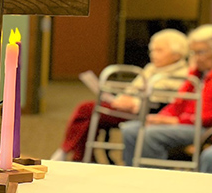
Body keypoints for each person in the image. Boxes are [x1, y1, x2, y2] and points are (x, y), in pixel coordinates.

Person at [121, 25, 212, 167]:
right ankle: (135, 177)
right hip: (192, 124)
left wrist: (177, 121)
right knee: (131, 130)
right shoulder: (202, 72)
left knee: (151, 135)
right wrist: (162, 117)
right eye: (193, 53)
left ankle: (155, 182)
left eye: (200, 52)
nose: (196, 58)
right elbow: (180, 101)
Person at [51, 29, 189, 162]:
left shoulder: (182, 74)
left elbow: (166, 102)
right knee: (90, 115)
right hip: (129, 106)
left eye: (159, 50)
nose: (153, 54)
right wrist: (123, 98)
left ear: (177, 54)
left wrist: (135, 103)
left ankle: (69, 152)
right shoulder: (151, 68)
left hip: (147, 112)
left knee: (87, 109)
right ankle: (80, 155)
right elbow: (134, 89)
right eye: (152, 50)